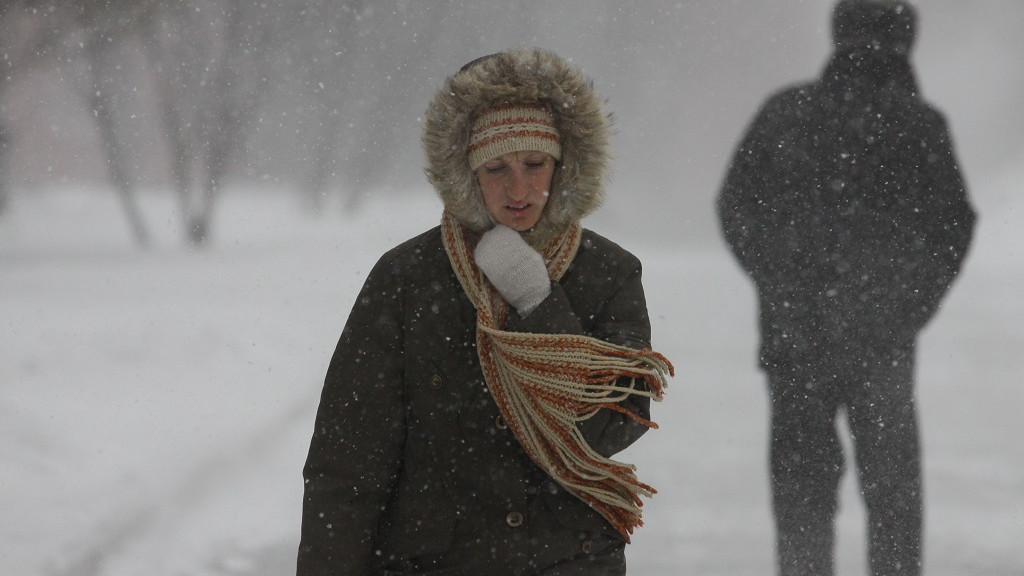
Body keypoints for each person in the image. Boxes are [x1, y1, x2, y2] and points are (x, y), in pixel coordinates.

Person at [297, 47, 672, 576]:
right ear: (466, 173)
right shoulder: (407, 278)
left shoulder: (607, 274)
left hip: (567, 561)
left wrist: (537, 301)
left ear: (564, 165)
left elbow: (606, 427)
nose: (517, 189)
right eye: (496, 168)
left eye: (534, 165)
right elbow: (348, 465)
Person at [716, 2, 975, 575]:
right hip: (880, 345)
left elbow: (736, 205)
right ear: (907, 41)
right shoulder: (919, 124)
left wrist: (781, 283)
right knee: (892, 500)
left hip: (796, 344)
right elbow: (954, 225)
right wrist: (909, 304)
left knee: (803, 499)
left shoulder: (787, 112)